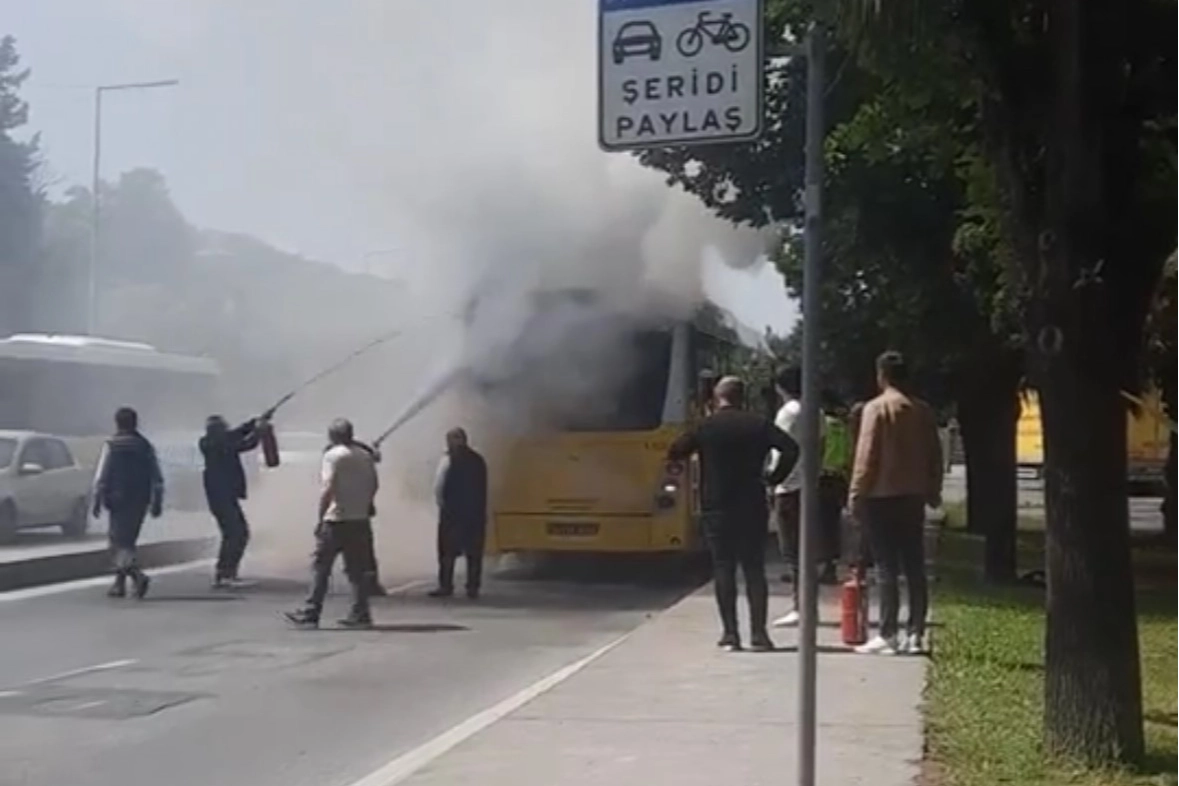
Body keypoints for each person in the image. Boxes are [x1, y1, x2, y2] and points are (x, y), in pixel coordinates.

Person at [668, 376, 798, 652]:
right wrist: (774, 478)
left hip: (716, 506)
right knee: (754, 569)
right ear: (742, 397)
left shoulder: (707, 426)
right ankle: (760, 635)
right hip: (751, 504)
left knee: (723, 568)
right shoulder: (758, 424)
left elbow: (675, 451)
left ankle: (730, 635)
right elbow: (791, 448)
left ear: (717, 397)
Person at [848, 351, 943, 655]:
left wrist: (856, 493)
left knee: (887, 567)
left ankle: (887, 632)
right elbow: (935, 454)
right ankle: (915, 633)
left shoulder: (875, 409)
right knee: (914, 566)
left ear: (881, 375)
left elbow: (866, 456)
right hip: (913, 495)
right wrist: (933, 489)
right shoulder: (923, 411)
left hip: (881, 496)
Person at [285, 418, 380, 629]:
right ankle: (361, 613)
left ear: (332, 436)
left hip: (336, 520)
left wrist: (320, 518)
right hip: (360, 520)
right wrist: (367, 504)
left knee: (321, 567)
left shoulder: (332, 456)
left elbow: (328, 489)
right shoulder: (365, 456)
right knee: (357, 570)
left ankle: (311, 611)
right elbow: (374, 484)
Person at [770, 367, 825, 628]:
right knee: (808, 551)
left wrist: (771, 479)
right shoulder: (817, 411)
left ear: (781, 387)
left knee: (792, 553)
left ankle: (800, 608)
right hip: (811, 487)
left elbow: (779, 450)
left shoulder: (788, 412)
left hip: (789, 488)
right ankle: (808, 606)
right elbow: (821, 448)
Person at [92, 407, 164, 599]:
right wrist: (157, 501)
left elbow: (103, 475)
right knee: (128, 542)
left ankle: (137, 576)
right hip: (140, 499)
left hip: (117, 500)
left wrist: (97, 500)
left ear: (117, 423)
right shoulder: (144, 445)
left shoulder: (112, 445)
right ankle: (119, 584)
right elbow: (156, 477)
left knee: (117, 544)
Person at [200, 412, 268, 589]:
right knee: (236, 533)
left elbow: (238, 433)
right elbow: (246, 444)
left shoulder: (213, 441)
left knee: (235, 533)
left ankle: (227, 572)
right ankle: (225, 574)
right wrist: (259, 431)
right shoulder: (216, 444)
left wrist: (254, 422)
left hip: (222, 496)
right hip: (221, 497)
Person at [429, 427, 489, 600]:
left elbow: (441, 487)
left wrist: (443, 506)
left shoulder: (449, 460)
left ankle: (446, 586)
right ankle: (472, 587)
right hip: (474, 515)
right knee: (473, 554)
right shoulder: (478, 460)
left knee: (447, 552)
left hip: (453, 515)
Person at [818, 390, 853, 583]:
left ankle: (821, 568)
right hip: (838, 479)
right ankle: (830, 565)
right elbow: (849, 452)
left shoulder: (822, 425)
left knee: (819, 525)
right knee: (832, 524)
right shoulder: (842, 426)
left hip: (821, 478)